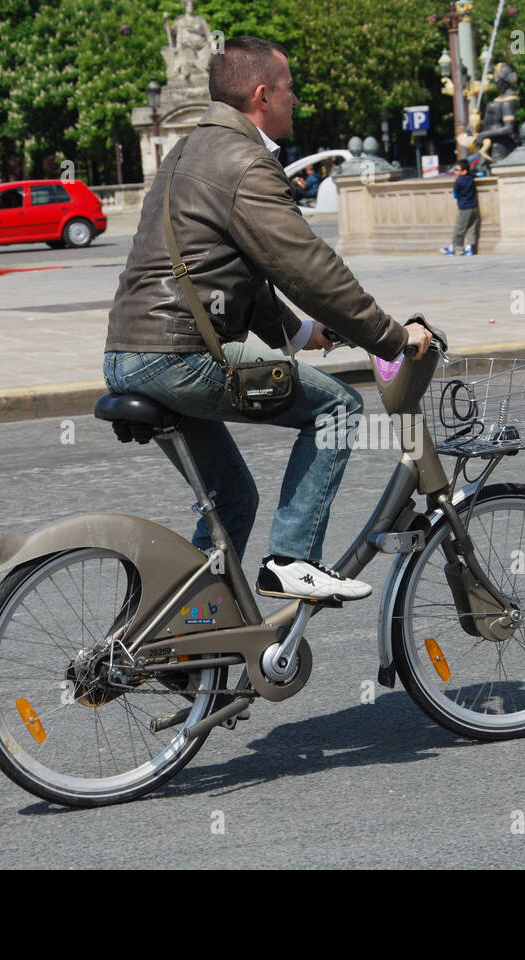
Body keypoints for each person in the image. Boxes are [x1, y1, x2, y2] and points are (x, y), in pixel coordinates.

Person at [104, 36, 432, 603]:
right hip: (179, 355)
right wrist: (392, 336)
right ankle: (292, 560)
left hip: (129, 353)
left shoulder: (187, 152)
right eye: (289, 89)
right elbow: (306, 266)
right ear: (261, 95)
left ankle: (183, 631)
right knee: (337, 406)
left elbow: (232, 268)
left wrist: (304, 333)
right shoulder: (243, 160)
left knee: (232, 498)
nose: (296, 100)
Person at [439, 157, 478, 256]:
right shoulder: (471, 178)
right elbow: (475, 175)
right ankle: (469, 248)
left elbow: (455, 195)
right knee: (471, 227)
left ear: (464, 171)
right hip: (474, 207)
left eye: (457, 170)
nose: (455, 171)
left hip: (464, 207)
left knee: (459, 228)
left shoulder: (458, 182)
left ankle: (452, 248)